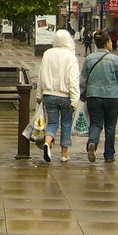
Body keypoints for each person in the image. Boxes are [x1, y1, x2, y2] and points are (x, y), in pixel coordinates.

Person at [80, 30, 118, 163]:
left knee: (96, 123)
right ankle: (109, 154)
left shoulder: (89, 59)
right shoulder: (115, 59)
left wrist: (83, 94)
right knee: (110, 126)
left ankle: (92, 141)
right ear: (108, 43)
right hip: (112, 96)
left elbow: (83, 80)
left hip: (93, 95)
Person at [35, 28, 81, 162]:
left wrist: (39, 94)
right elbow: (73, 79)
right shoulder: (70, 56)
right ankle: (64, 154)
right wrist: (75, 98)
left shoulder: (47, 54)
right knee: (66, 123)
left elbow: (41, 76)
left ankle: (47, 143)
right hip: (65, 96)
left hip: (48, 94)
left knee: (52, 123)